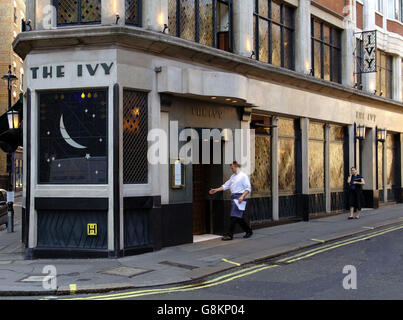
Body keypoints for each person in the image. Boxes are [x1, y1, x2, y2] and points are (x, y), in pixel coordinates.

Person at [209, 161, 253, 241]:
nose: (231, 169)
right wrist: (216, 190)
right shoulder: (232, 176)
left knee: (233, 216)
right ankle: (249, 231)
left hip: (239, 198)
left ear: (236, 166)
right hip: (233, 198)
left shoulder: (243, 176)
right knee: (238, 218)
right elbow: (226, 186)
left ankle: (229, 235)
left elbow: (248, 188)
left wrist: (242, 197)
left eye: (232, 168)